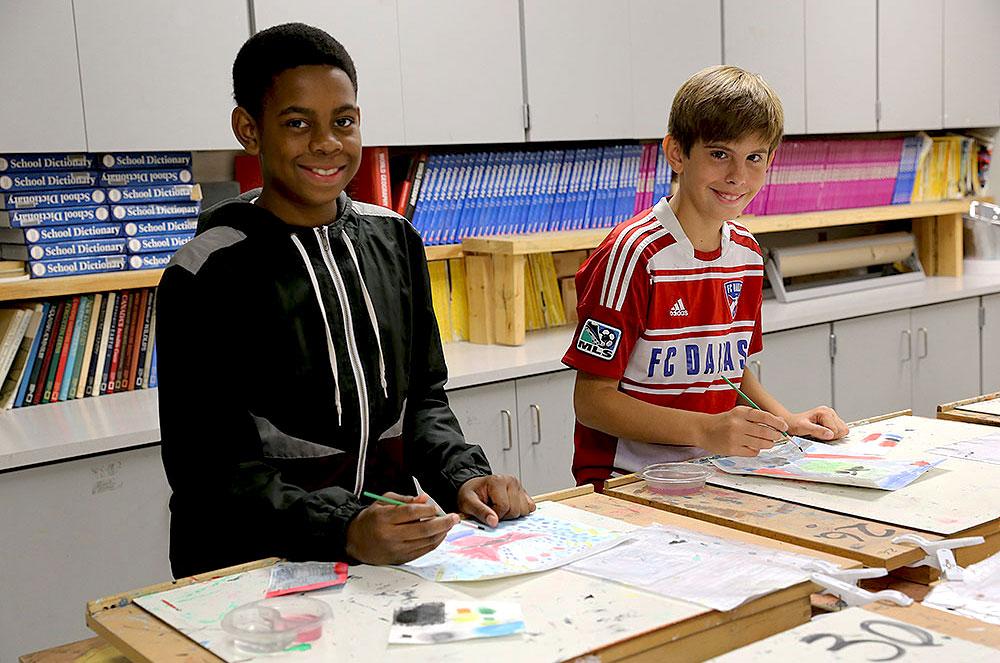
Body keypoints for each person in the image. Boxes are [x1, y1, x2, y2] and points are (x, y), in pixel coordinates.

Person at [156, 23, 534, 578]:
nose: (327, 142)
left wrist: (461, 476)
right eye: (296, 123)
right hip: (250, 567)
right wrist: (344, 529)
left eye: (344, 121)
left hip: (384, 556)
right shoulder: (206, 273)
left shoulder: (396, 240)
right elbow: (211, 471)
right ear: (249, 130)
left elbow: (422, 401)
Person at [562, 65, 849, 489]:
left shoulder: (748, 254)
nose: (738, 176)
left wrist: (785, 420)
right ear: (677, 153)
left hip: (715, 472)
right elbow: (591, 401)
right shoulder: (634, 255)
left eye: (754, 158)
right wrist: (706, 430)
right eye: (720, 154)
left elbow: (729, 372)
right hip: (628, 481)